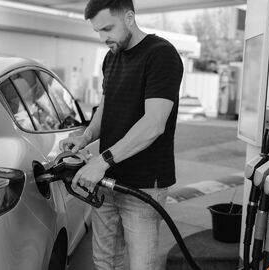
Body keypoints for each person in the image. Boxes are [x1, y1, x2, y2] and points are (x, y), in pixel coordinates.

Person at [59, 0, 183, 269]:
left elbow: (154, 123)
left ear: (129, 17)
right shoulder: (111, 57)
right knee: (104, 261)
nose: (104, 38)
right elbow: (107, 107)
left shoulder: (161, 54)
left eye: (107, 28)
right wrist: (86, 136)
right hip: (106, 182)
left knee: (141, 265)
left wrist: (100, 161)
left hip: (143, 187)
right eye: (98, 32)